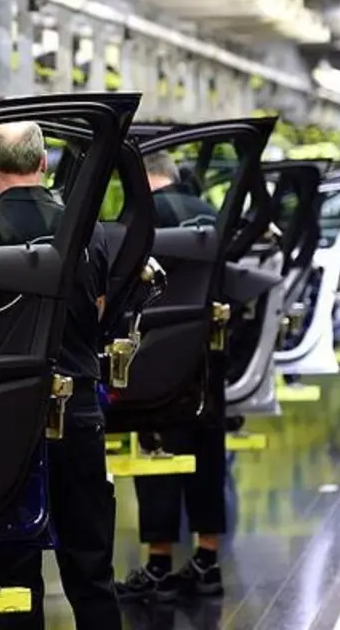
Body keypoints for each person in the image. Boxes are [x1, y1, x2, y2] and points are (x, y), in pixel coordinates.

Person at [0, 121, 121, 630]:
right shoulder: (89, 231)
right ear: (43, 165)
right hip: (76, 409)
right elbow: (100, 312)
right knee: (91, 567)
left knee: (13, 573)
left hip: (1, 416)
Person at [116, 150, 227, 603]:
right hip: (208, 356)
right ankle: (207, 560)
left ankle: (159, 563)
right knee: (208, 453)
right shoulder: (211, 213)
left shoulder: (140, 218)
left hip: (157, 360)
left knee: (157, 455)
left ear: (145, 177)